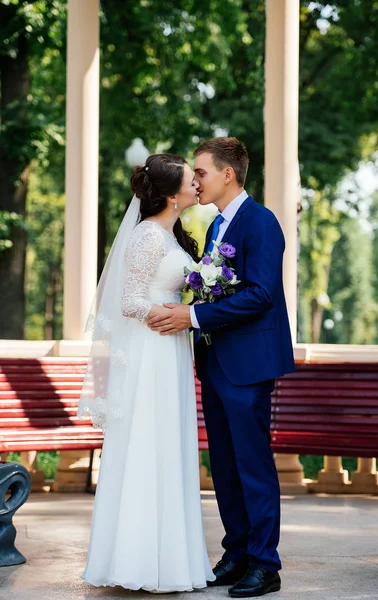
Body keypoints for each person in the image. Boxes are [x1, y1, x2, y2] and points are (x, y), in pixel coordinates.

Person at [148, 137, 295, 597]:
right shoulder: (215, 228)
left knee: (252, 465)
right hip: (214, 361)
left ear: (227, 174)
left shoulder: (261, 223)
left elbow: (260, 294)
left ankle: (265, 564)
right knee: (226, 466)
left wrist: (190, 316)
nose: (195, 179)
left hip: (248, 364)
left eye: (202, 172)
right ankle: (236, 552)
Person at [78, 153, 215, 592]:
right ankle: (135, 561)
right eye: (190, 180)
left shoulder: (171, 235)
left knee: (167, 448)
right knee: (145, 446)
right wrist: (175, 313)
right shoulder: (147, 237)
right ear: (172, 195)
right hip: (150, 351)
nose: (197, 184)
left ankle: (171, 560)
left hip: (169, 351)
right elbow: (128, 301)